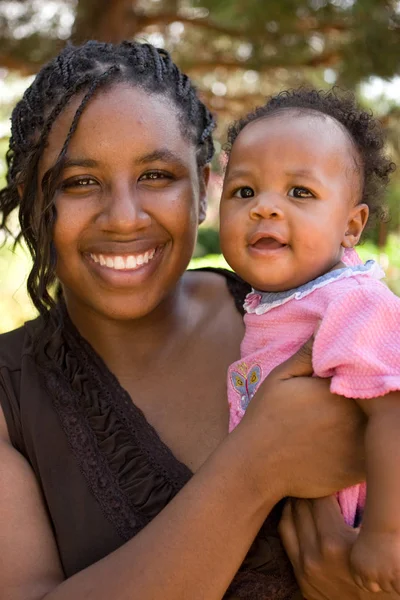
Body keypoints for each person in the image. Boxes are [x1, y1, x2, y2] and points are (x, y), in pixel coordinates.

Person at [0, 41, 391, 600]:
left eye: (157, 176)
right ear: (33, 202)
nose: (124, 218)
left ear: (205, 188)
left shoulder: (314, 315)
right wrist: (252, 470)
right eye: (79, 182)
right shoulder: (10, 400)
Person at [219, 88, 400, 595]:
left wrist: (386, 534)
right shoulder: (271, 303)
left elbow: (392, 411)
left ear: (351, 225)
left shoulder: (352, 301)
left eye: (299, 192)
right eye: (244, 192)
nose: (264, 209)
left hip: (362, 533)